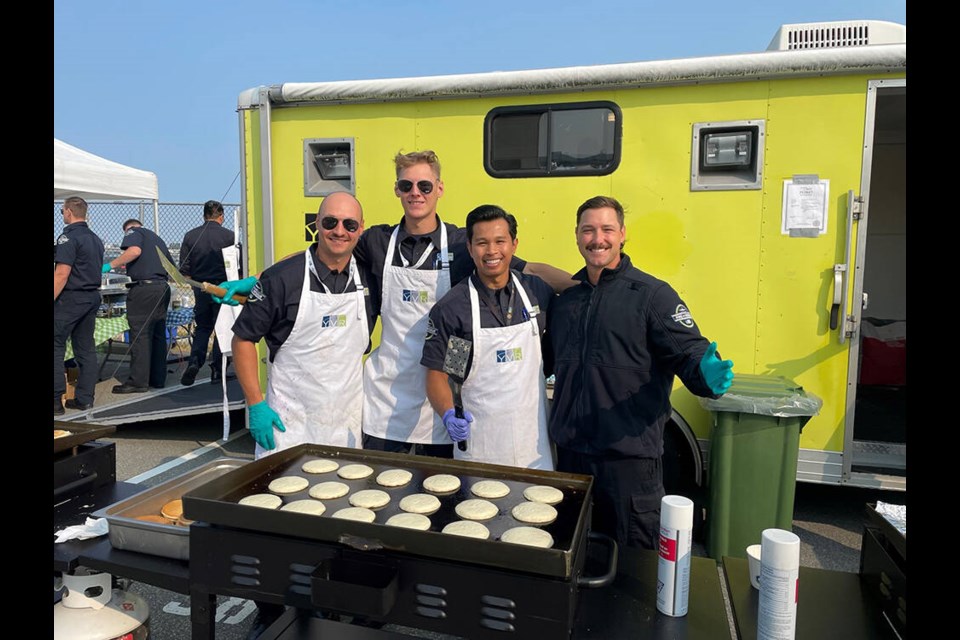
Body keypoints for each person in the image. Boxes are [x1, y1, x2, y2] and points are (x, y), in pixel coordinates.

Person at [546, 195, 734, 550]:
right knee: (574, 555)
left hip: (629, 461)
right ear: (576, 235)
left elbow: (689, 351)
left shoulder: (652, 296)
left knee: (633, 566)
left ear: (622, 234)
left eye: (606, 229)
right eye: (588, 230)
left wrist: (705, 374)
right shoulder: (567, 300)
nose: (597, 238)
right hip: (571, 455)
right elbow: (542, 363)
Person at [230, 192, 375, 459]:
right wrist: (255, 403)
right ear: (317, 223)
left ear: (360, 228)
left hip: (346, 427)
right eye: (330, 222)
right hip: (289, 427)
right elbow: (243, 340)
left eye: (349, 225)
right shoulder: (282, 278)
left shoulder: (370, 275)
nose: (339, 231)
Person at [422, 205, 556, 469]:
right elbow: (440, 374)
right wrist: (448, 413)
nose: (492, 251)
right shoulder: (455, 308)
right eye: (482, 243)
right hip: (481, 446)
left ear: (514, 245)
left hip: (535, 447)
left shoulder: (535, 293)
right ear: (470, 248)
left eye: (500, 241)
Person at [104, 219, 174, 393]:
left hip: (144, 289)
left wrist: (109, 265)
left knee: (140, 335)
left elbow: (134, 250)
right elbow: (171, 267)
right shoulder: (157, 239)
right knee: (158, 334)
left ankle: (138, 381)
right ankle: (157, 379)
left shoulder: (133, 232)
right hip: (162, 287)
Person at [54, 197, 106, 414]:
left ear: (68, 212)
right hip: (91, 297)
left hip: (71, 298)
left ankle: (56, 402)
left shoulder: (68, 237)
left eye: (62, 210)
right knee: (85, 349)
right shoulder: (96, 239)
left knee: (55, 346)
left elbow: (62, 274)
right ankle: (85, 398)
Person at [178, 200, 237, 386]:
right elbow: (237, 264)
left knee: (203, 327)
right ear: (222, 216)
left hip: (201, 288)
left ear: (203, 216)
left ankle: (195, 361)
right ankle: (218, 369)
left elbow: (184, 269)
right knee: (222, 328)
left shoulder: (190, 236)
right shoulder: (230, 236)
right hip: (223, 289)